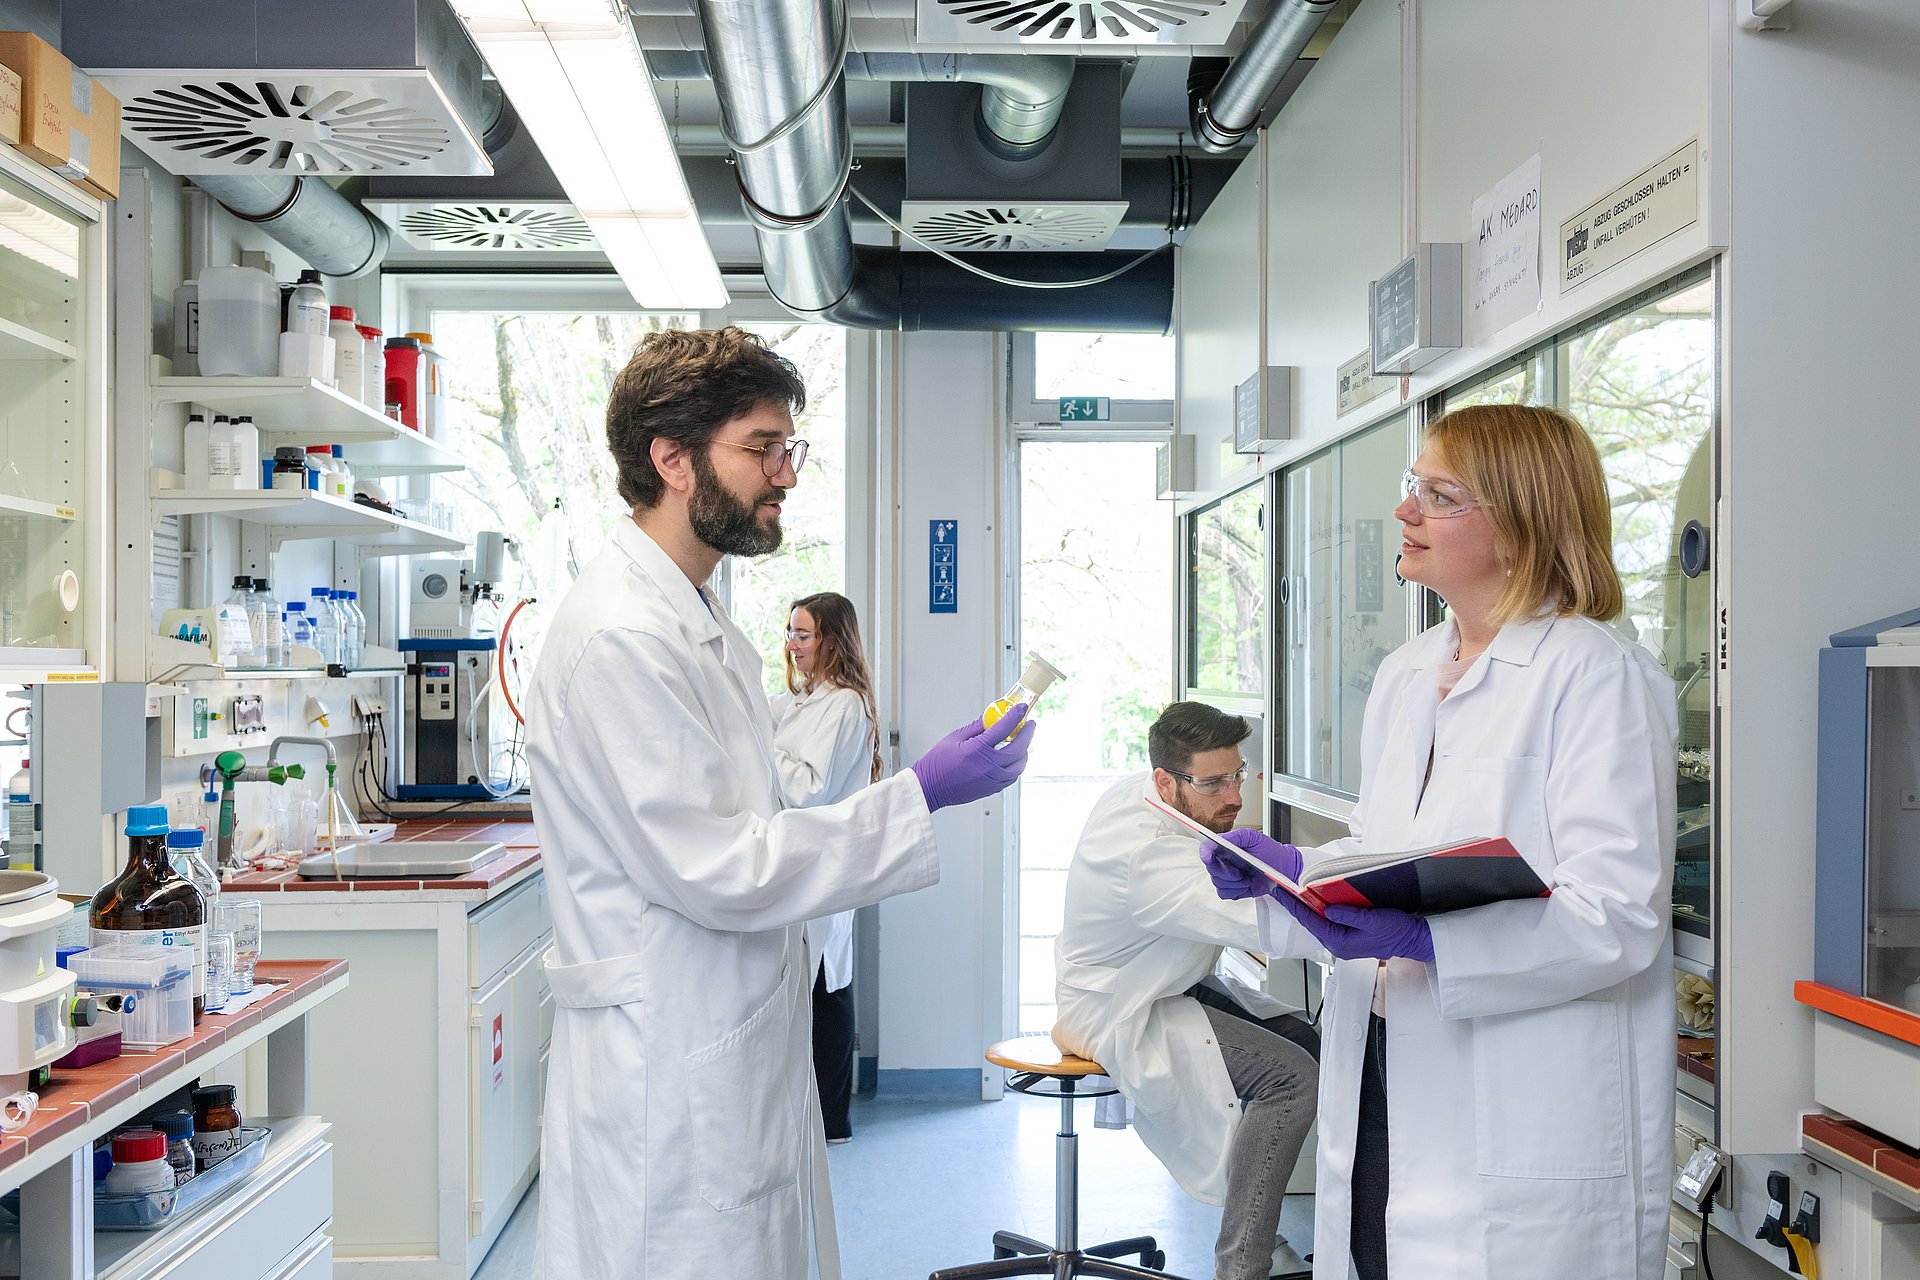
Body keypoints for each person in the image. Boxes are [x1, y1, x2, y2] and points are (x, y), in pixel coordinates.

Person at [527, 326, 1036, 1280]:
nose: (785, 475)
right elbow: (723, 868)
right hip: (668, 1071)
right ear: (672, 460)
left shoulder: (696, 614)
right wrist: (918, 795)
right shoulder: (622, 637)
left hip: (726, 1039)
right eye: (761, 448)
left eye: (786, 448)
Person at [1202, 403, 1678, 1280]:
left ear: (1519, 519)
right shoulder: (1408, 671)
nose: (1406, 511)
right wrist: (1301, 877)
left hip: (1520, 1096)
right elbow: (1394, 850)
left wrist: (1434, 937)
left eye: (1438, 493)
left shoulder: (1596, 674)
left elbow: (1617, 916)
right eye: (1410, 486)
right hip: (1385, 1060)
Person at [1054, 702, 1318, 1280]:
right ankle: (1246, 1263)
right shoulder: (1146, 854)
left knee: (1304, 1034)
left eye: (1238, 774)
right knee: (1292, 1077)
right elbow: (1266, 923)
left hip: (1165, 984)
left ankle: (1275, 1233)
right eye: (1213, 783)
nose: (1234, 797)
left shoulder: (1154, 796)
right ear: (1165, 780)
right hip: (1120, 1007)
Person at [772, 591, 885, 1145]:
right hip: (802, 865)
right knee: (816, 984)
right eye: (790, 632)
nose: (792, 645)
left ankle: (832, 1122)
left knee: (826, 989)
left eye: (804, 635)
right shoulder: (806, 699)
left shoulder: (843, 704)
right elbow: (758, 717)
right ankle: (815, 1119)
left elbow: (809, 789)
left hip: (823, 864)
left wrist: (770, 755)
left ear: (832, 642)